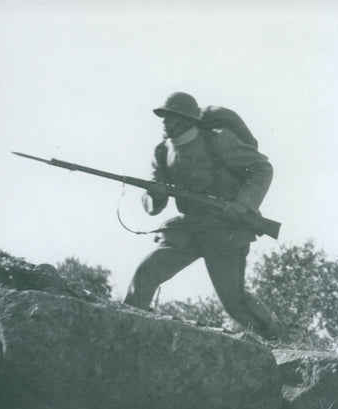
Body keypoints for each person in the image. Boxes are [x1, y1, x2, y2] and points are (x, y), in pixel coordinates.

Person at [123, 92, 287, 340]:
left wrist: (243, 204)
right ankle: (125, 331)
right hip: (188, 229)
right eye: (164, 116)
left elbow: (262, 168)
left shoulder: (218, 142)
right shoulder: (163, 151)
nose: (164, 121)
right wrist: (154, 194)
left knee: (235, 303)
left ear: (185, 118)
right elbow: (154, 203)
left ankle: (279, 340)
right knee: (147, 272)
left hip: (225, 231)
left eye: (170, 116)